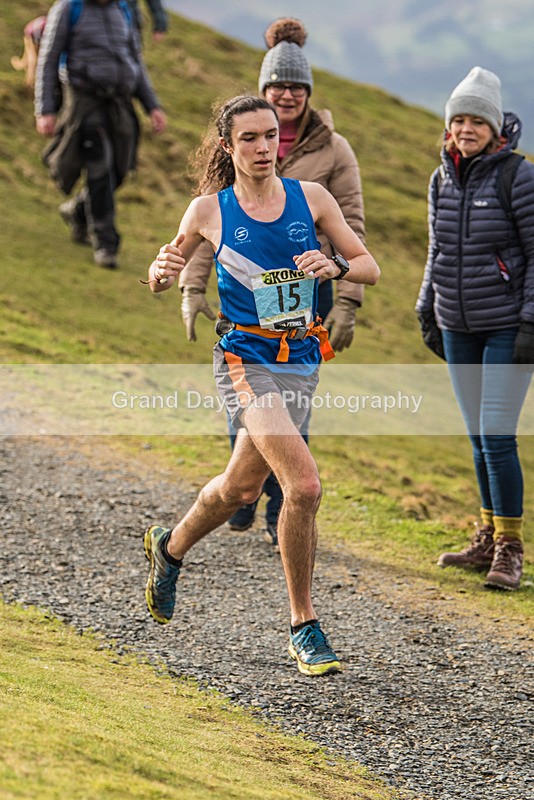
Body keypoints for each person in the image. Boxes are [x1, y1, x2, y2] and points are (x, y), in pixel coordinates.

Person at [142, 94, 380, 675]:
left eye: (270, 135)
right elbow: (163, 270)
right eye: (248, 138)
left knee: (240, 489)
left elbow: (369, 265)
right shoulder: (208, 211)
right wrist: (159, 273)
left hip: (301, 358)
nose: (263, 147)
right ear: (228, 147)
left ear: (282, 140)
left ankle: (169, 548)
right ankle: (304, 626)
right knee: (303, 486)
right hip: (243, 359)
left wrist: (338, 267)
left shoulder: (312, 199)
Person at [179, 18, 366, 544]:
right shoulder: (242, 136)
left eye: (296, 87)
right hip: (244, 301)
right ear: (263, 92)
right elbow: (208, 225)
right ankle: (246, 489)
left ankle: (276, 509)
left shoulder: (334, 150)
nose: (286, 95)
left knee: (292, 419)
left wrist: (346, 297)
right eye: (277, 87)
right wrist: (193, 287)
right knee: (256, 412)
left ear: (308, 94)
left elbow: (354, 226)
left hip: (311, 290)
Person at [416, 66, 534, 591]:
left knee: (497, 435)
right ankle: (486, 535)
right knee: (476, 438)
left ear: (495, 127)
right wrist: (426, 307)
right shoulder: (441, 177)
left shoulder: (517, 175)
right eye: (458, 119)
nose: (466, 128)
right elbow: (435, 249)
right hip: (457, 324)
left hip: (507, 325)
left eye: (476, 120)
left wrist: (531, 322)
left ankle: (511, 549)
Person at [34, 0, 167, 269]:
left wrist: (152, 105)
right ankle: (106, 243)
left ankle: (77, 211)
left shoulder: (123, 9)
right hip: (85, 100)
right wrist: (45, 109)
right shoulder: (68, 8)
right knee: (100, 167)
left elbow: (135, 61)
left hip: (120, 102)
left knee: (120, 168)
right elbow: (48, 59)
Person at [11, 16, 47, 90]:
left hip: (37, 31)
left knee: (33, 59)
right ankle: (29, 84)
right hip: (32, 33)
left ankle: (30, 82)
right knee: (33, 60)